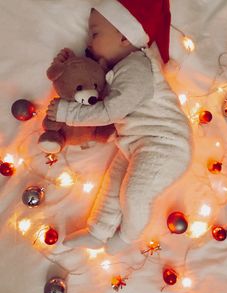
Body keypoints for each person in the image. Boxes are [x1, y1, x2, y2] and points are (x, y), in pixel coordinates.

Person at [47, 0, 191, 252]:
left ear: (125, 37)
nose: (89, 42)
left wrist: (68, 112)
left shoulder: (138, 66)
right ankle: (98, 230)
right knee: (112, 185)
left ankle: (128, 237)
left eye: (95, 34)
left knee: (133, 194)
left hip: (166, 145)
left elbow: (112, 110)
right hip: (137, 143)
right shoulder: (119, 68)